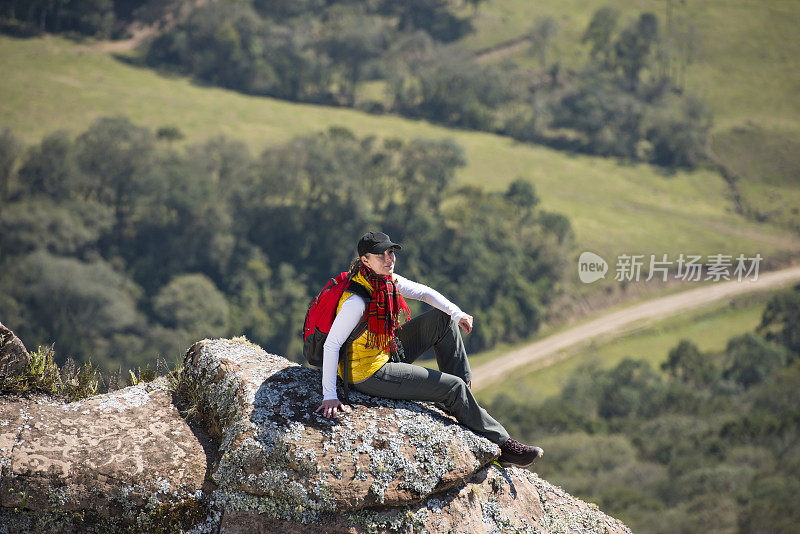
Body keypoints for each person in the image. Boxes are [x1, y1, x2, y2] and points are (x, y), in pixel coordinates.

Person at [314, 231, 543, 467]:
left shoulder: (385, 281)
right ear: (365, 261)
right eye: (380, 255)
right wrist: (330, 395)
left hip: (384, 350)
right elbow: (332, 345)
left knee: (442, 320)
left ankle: (465, 402)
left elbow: (423, 292)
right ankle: (504, 446)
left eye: (390, 252)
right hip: (367, 373)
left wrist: (458, 314)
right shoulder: (357, 300)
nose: (388, 259)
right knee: (452, 388)